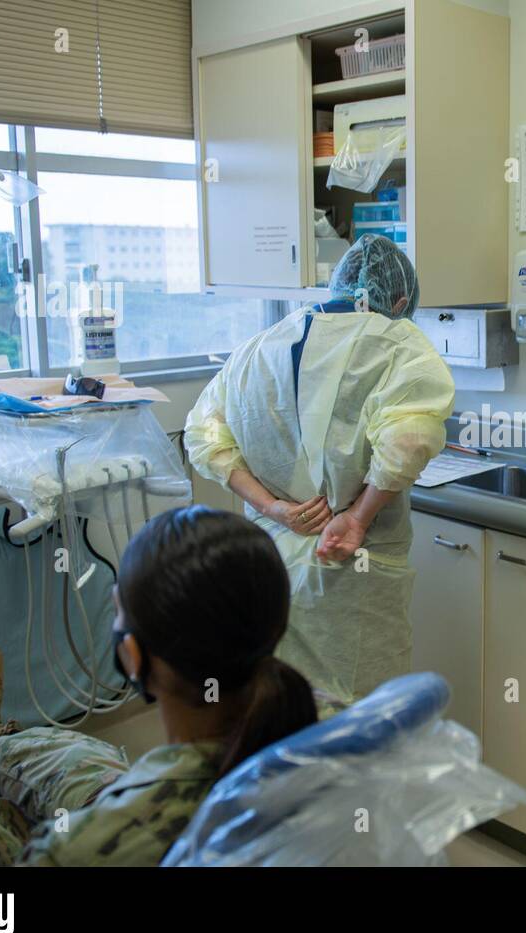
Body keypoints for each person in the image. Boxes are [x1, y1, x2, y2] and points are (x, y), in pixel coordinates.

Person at [0, 506, 317, 866]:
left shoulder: (78, 852)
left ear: (132, 655)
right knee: (82, 761)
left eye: (117, 613)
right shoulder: (326, 722)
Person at [184, 235, 455, 713]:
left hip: (272, 565)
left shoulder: (258, 348)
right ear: (397, 301)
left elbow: (205, 436)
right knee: (359, 718)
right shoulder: (395, 342)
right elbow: (409, 440)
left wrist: (274, 508)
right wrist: (357, 518)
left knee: (284, 707)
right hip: (353, 570)